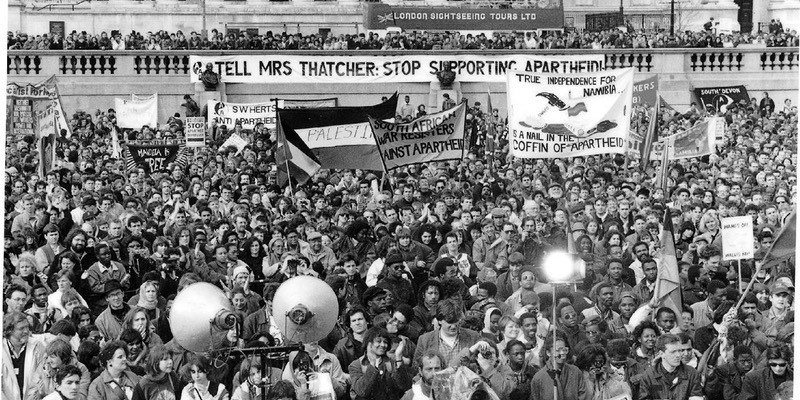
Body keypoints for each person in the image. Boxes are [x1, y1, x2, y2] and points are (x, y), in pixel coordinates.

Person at [348, 327, 413, 400]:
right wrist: (372, 365)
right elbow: (361, 391)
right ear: (369, 343)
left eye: (385, 342)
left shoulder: (391, 362)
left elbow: (405, 386)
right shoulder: (356, 365)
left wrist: (398, 357)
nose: (382, 345)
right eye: (378, 341)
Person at [637, 334, 703, 400]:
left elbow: (697, 397)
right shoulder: (648, 376)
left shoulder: (692, 374)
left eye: (679, 351)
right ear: (661, 354)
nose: (678, 355)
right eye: (673, 352)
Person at [2, 311, 47, 400]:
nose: (26, 331)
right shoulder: (1, 349)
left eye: (27, 327)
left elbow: (42, 377)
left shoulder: (37, 346)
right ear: (9, 330)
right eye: (21, 328)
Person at [529, 331, 586, 400]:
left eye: (564, 350)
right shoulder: (539, 378)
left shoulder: (575, 372)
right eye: (558, 350)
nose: (562, 353)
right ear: (548, 353)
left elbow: (582, 395)